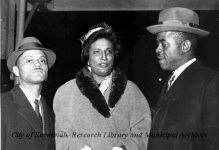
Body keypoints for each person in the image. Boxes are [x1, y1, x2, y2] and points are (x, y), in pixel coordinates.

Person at [53, 23, 151, 150]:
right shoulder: (66, 92)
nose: (104, 57)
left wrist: (125, 148)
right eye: (97, 52)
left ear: (114, 55)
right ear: (87, 57)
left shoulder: (131, 90)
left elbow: (143, 128)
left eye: (108, 51)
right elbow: (61, 134)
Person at [146, 7, 219, 150]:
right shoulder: (170, 81)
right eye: (157, 43)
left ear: (185, 46)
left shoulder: (212, 81)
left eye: (164, 44)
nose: (157, 49)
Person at [1, 37, 56, 150]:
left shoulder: (51, 115)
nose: (37, 64)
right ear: (16, 70)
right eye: (29, 60)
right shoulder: (2, 104)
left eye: (42, 60)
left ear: (47, 69)